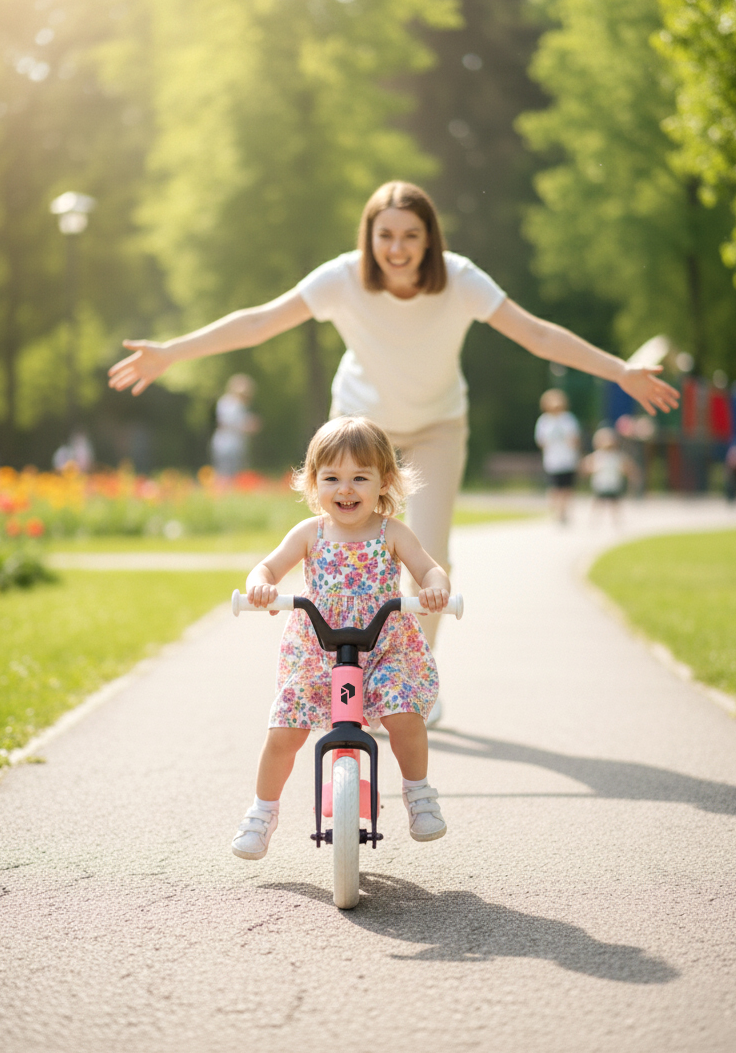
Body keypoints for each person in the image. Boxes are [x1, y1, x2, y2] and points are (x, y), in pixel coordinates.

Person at [108, 180, 679, 722]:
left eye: (410, 235)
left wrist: (619, 370)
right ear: (369, 237)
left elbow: (538, 335)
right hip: (360, 427)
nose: (397, 248)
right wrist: (172, 353)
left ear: (429, 238)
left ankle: (413, 678)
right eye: (386, 236)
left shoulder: (460, 280)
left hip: (436, 426)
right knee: (344, 551)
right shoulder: (342, 279)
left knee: (432, 555)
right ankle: (346, 674)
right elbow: (260, 321)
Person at [231, 416, 450, 860]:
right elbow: (267, 568)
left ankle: (418, 794)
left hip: (384, 647)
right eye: (332, 478)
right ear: (314, 482)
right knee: (284, 730)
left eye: (359, 478)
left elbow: (429, 567)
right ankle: (262, 812)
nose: (345, 490)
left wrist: (434, 586)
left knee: (405, 712)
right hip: (318, 648)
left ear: (384, 481)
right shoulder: (310, 533)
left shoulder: (393, 533)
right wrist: (262, 586)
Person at [534, 389, 581, 524]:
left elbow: (575, 439)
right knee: (555, 488)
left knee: (567, 488)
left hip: (567, 459)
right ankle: (556, 512)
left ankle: (564, 512)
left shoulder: (568, 419)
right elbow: (541, 441)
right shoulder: (544, 421)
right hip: (552, 460)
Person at [580, 427, 640, 523]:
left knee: (614, 502)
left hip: (613, 483)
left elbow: (628, 466)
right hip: (601, 484)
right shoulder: (598, 455)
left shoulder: (617, 456)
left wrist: (631, 476)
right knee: (598, 502)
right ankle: (594, 520)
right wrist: (589, 470)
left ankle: (616, 520)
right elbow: (586, 464)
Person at [210, 373, 261, 480]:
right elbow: (225, 423)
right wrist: (246, 427)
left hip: (237, 445)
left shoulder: (242, 405)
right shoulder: (226, 402)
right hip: (225, 444)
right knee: (224, 473)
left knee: (236, 474)